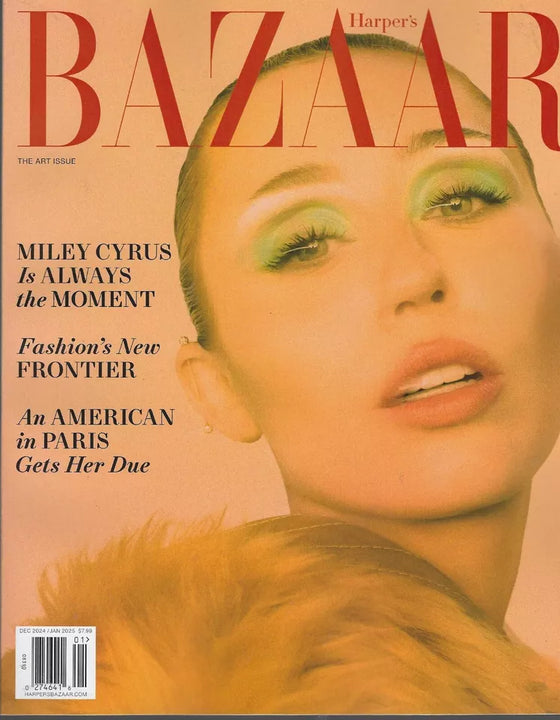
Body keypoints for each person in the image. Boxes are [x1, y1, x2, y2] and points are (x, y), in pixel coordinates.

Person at [2, 33, 560, 714]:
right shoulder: (119, 667)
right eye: (305, 244)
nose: (416, 275)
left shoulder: (532, 686)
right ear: (218, 389)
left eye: (460, 197)